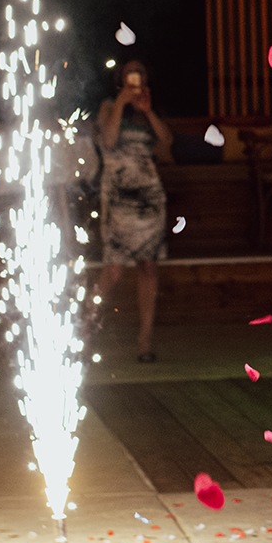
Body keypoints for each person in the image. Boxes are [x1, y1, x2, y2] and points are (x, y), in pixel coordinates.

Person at [90, 60, 172, 362]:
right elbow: (108, 141)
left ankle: (145, 339)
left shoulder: (150, 108)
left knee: (148, 265)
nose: (135, 78)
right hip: (117, 193)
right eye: (130, 74)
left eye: (140, 73)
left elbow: (167, 142)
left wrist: (147, 111)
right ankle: (84, 331)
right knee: (112, 269)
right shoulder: (108, 106)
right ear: (121, 79)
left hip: (148, 194)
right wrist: (122, 103)